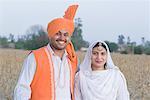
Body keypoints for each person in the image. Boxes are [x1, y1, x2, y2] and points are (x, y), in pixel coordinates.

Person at [14, 4, 78, 100]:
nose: (62, 38)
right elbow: (22, 88)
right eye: (58, 33)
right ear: (50, 35)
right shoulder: (35, 57)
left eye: (66, 34)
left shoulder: (72, 60)